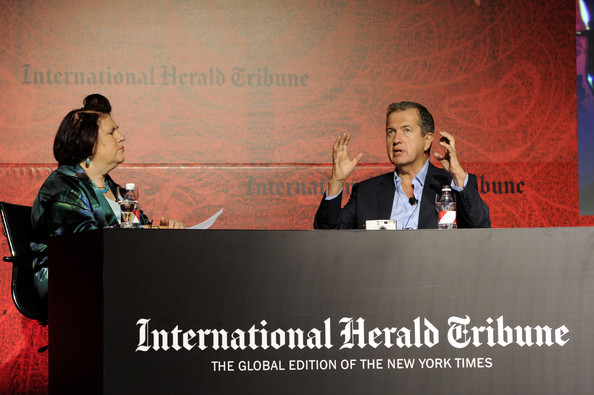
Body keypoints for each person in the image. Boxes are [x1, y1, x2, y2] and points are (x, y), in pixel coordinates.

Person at [30, 94, 185, 298]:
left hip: (115, 283)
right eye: (111, 132)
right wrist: (144, 231)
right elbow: (82, 247)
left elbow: (139, 230)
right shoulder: (62, 188)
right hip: (70, 288)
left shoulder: (119, 191)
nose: (121, 137)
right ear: (86, 142)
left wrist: (164, 229)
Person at [314, 101, 491, 229]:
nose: (396, 140)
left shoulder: (452, 186)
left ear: (427, 140)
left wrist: (458, 176)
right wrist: (336, 181)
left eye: (406, 131)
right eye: (391, 132)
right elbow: (326, 236)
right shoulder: (366, 192)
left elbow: (480, 229)